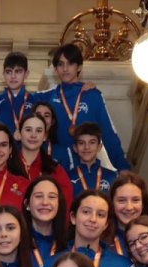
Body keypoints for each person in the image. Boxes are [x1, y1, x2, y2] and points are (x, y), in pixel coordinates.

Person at [38, 43, 130, 171]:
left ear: (79, 67)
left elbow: (108, 133)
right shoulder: (46, 97)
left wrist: (123, 168)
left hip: (87, 167)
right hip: (58, 167)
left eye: (70, 63)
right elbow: (18, 102)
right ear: (55, 69)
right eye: (60, 64)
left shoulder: (92, 95)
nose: (65, 69)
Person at [17, 113, 74, 212]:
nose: (33, 135)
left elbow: (65, 207)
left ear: (44, 136)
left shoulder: (55, 170)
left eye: (39, 131)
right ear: (19, 134)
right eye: (28, 130)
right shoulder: (7, 166)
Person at [0, 51, 33, 132]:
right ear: (3, 74)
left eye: (18, 71)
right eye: (8, 72)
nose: (13, 76)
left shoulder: (36, 100)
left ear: (26, 74)